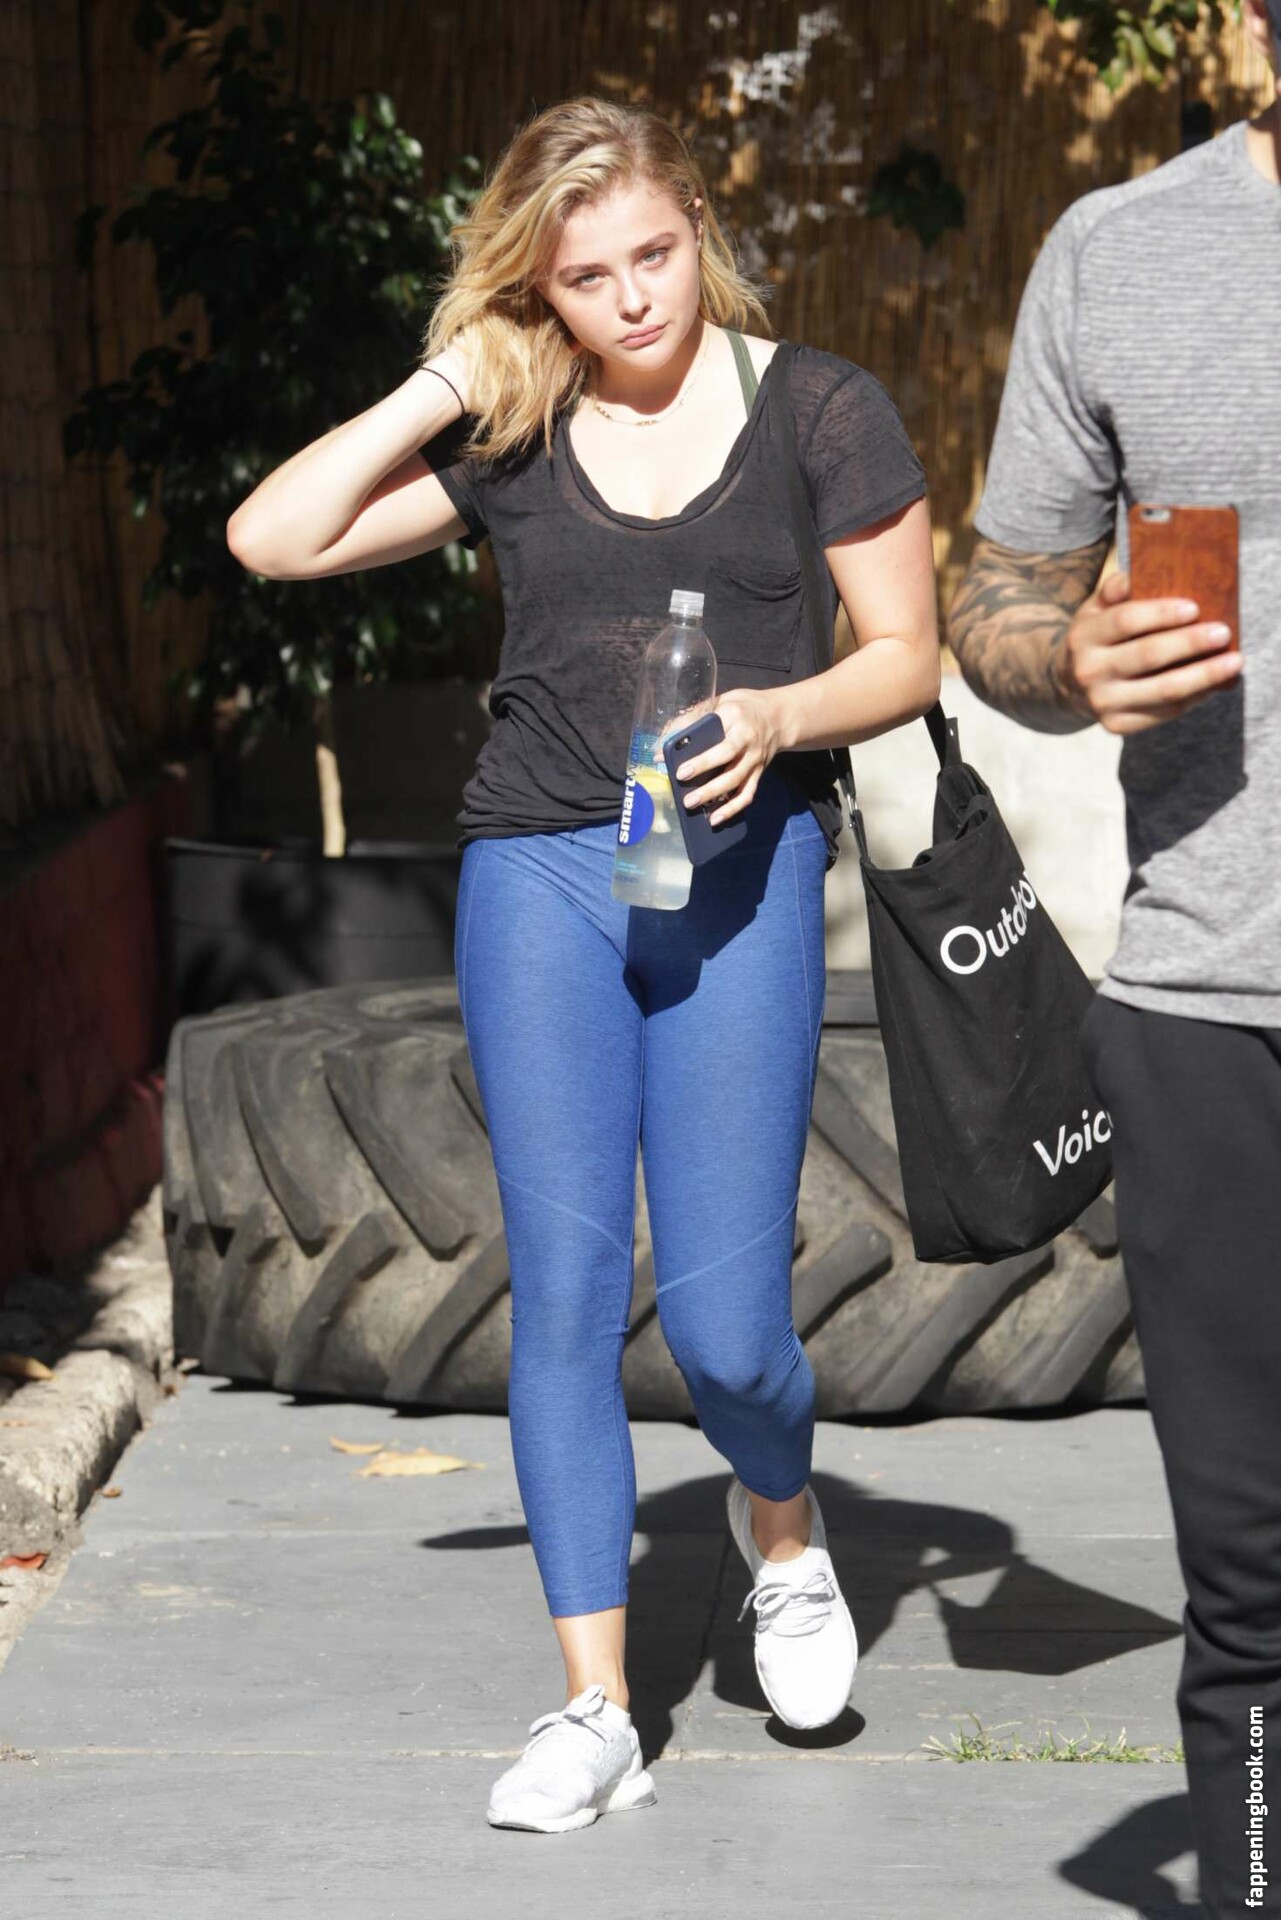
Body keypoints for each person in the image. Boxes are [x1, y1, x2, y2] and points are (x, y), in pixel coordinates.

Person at [227, 94, 938, 1834]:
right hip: (539, 873)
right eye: (585, 276)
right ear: (536, 287)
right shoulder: (519, 427)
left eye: (653, 253)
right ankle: (596, 1707)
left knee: (727, 1333)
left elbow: (906, 656)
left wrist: (778, 714)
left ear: (699, 226)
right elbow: (273, 538)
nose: (632, 299)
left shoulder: (816, 408)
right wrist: (445, 381)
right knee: (556, 1295)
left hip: (738, 869)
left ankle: (783, 1533)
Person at [948, 6, 1281, 1912]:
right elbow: (1001, 587)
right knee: (1249, 1586)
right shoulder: (1120, 251)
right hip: (1205, 1001)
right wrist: (1061, 660)